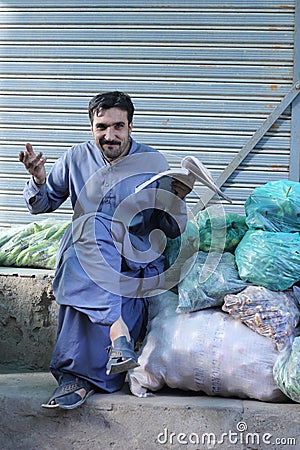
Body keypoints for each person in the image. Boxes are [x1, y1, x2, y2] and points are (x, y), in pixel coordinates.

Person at [19, 91, 190, 410]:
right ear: (91, 127)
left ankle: (94, 362)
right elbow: (41, 205)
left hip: (131, 259)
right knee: (88, 231)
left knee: (90, 247)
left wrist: (176, 199)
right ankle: (115, 339)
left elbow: (167, 228)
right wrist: (38, 179)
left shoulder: (153, 162)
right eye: (101, 127)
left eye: (118, 127)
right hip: (85, 256)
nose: (109, 135)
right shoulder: (74, 158)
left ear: (130, 126)